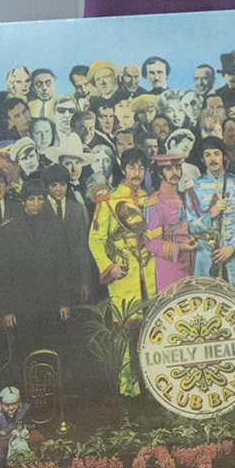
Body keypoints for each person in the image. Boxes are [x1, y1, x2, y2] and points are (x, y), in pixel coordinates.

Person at [89, 152, 159, 393]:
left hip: (150, 274)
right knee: (125, 333)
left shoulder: (150, 199)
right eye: (132, 167)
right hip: (124, 274)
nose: (136, 173)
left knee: (151, 330)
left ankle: (153, 386)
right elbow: (95, 240)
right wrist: (110, 267)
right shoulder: (108, 200)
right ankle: (128, 391)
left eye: (141, 168)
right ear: (123, 168)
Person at [0, 178, 74, 377]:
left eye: (40, 199)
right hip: (22, 305)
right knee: (24, 353)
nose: (37, 204)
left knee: (51, 351)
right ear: (23, 201)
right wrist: (8, 309)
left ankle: (53, 396)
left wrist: (64, 302)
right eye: (32, 199)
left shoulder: (54, 224)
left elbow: (62, 265)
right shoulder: (9, 228)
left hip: (49, 303)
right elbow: (4, 272)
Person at [185, 136, 235, 293]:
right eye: (207, 154)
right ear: (202, 159)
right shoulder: (194, 187)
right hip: (206, 256)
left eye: (216, 153)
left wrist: (232, 247)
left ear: (224, 156)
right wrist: (212, 214)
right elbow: (191, 225)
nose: (212, 159)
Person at [41, 162, 96, 304]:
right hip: (48, 280)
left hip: (75, 278)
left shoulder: (77, 208)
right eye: (53, 185)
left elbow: (82, 248)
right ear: (46, 187)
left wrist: (85, 282)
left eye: (62, 184)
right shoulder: (40, 209)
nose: (59, 189)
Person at [145, 153, 194, 290]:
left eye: (177, 168)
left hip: (190, 264)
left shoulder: (185, 196)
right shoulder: (155, 201)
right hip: (168, 266)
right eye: (169, 169)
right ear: (161, 174)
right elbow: (151, 242)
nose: (174, 173)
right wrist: (179, 248)